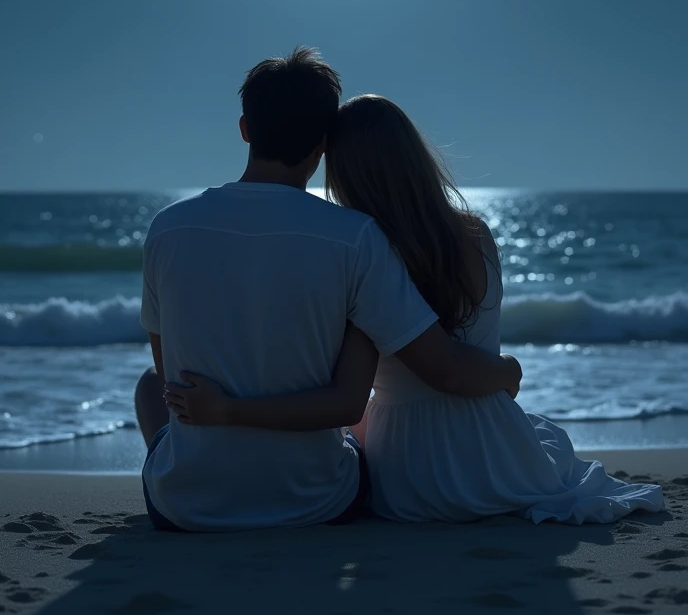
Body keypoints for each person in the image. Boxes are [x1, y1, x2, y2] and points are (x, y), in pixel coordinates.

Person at [165, 94, 665, 525]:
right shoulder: (475, 232)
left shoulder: (364, 249)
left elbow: (365, 392)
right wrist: (507, 370)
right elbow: (459, 361)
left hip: (412, 468)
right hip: (495, 445)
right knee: (547, 444)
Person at [135, 51, 522, 531]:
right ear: (323, 143)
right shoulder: (355, 237)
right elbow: (354, 401)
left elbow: (170, 374)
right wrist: (507, 370)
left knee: (151, 388)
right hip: (315, 502)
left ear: (244, 129)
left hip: (186, 508)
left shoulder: (167, 228)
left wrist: (226, 409)